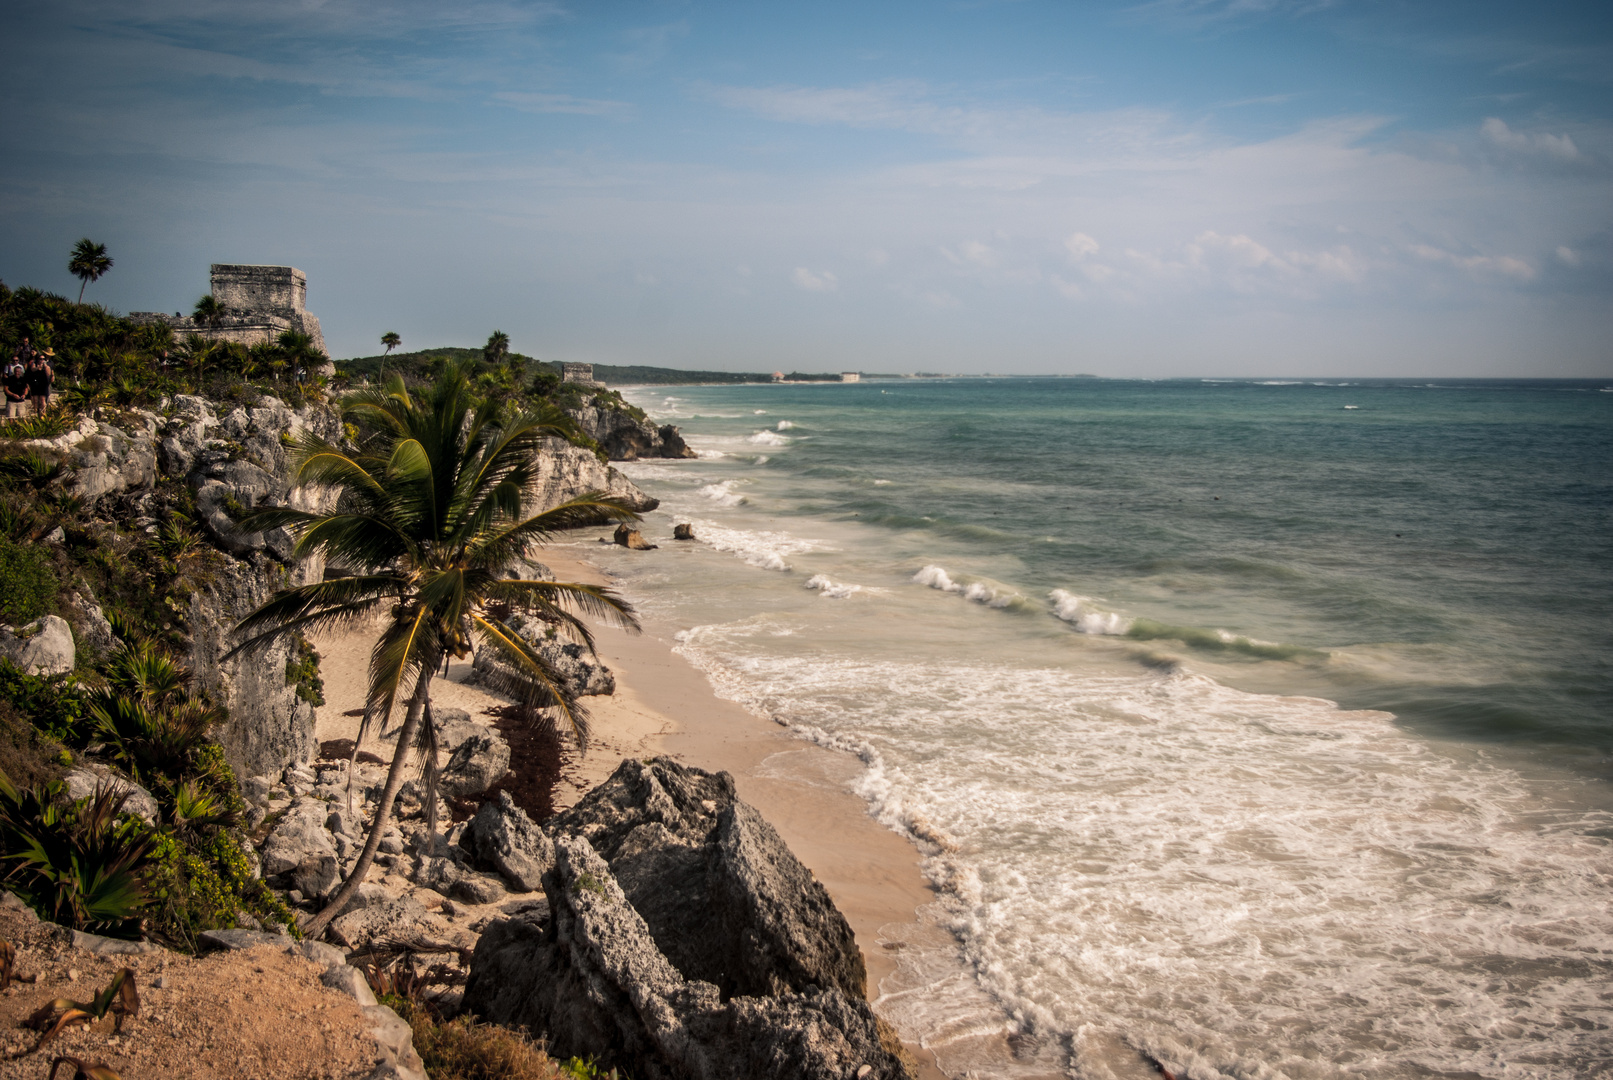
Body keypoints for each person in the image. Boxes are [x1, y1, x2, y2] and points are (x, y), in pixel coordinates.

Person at [25, 351, 53, 416]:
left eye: (43, 359)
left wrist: (44, 366)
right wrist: (38, 367)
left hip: (43, 383)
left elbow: (48, 373)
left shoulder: (47, 366)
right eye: (40, 359)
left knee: (42, 399)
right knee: (35, 399)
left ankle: (43, 412)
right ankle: (36, 411)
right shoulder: (34, 364)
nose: (42, 360)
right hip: (36, 383)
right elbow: (33, 369)